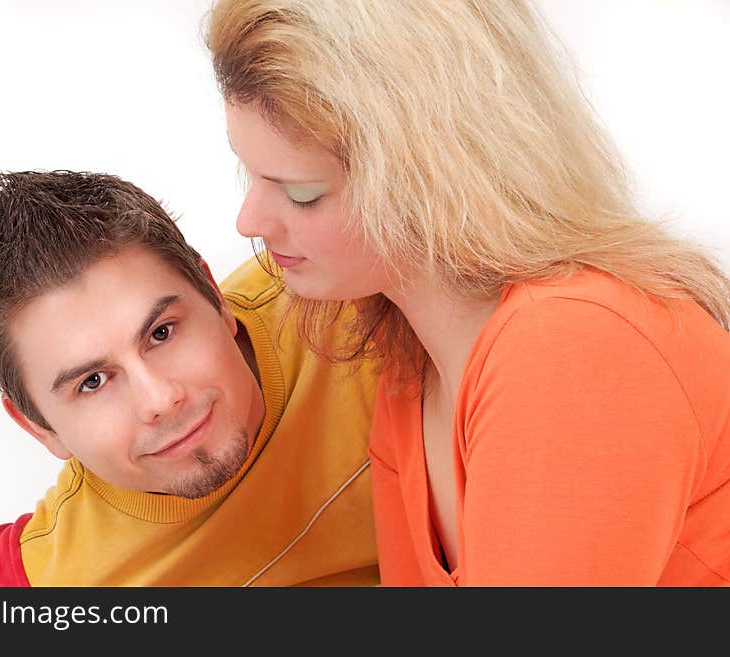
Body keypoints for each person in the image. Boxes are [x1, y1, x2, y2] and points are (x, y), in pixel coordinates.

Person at [206, 0, 730, 585]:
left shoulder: (573, 342)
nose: (249, 221)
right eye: (248, 172)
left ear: (436, 177)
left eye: (302, 193)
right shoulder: (409, 366)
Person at [0, 170, 379, 586]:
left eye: (161, 333)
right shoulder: (51, 579)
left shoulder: (354, 300)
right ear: (39, 428)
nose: (159, 399)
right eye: (93, 382)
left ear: (215, 297)